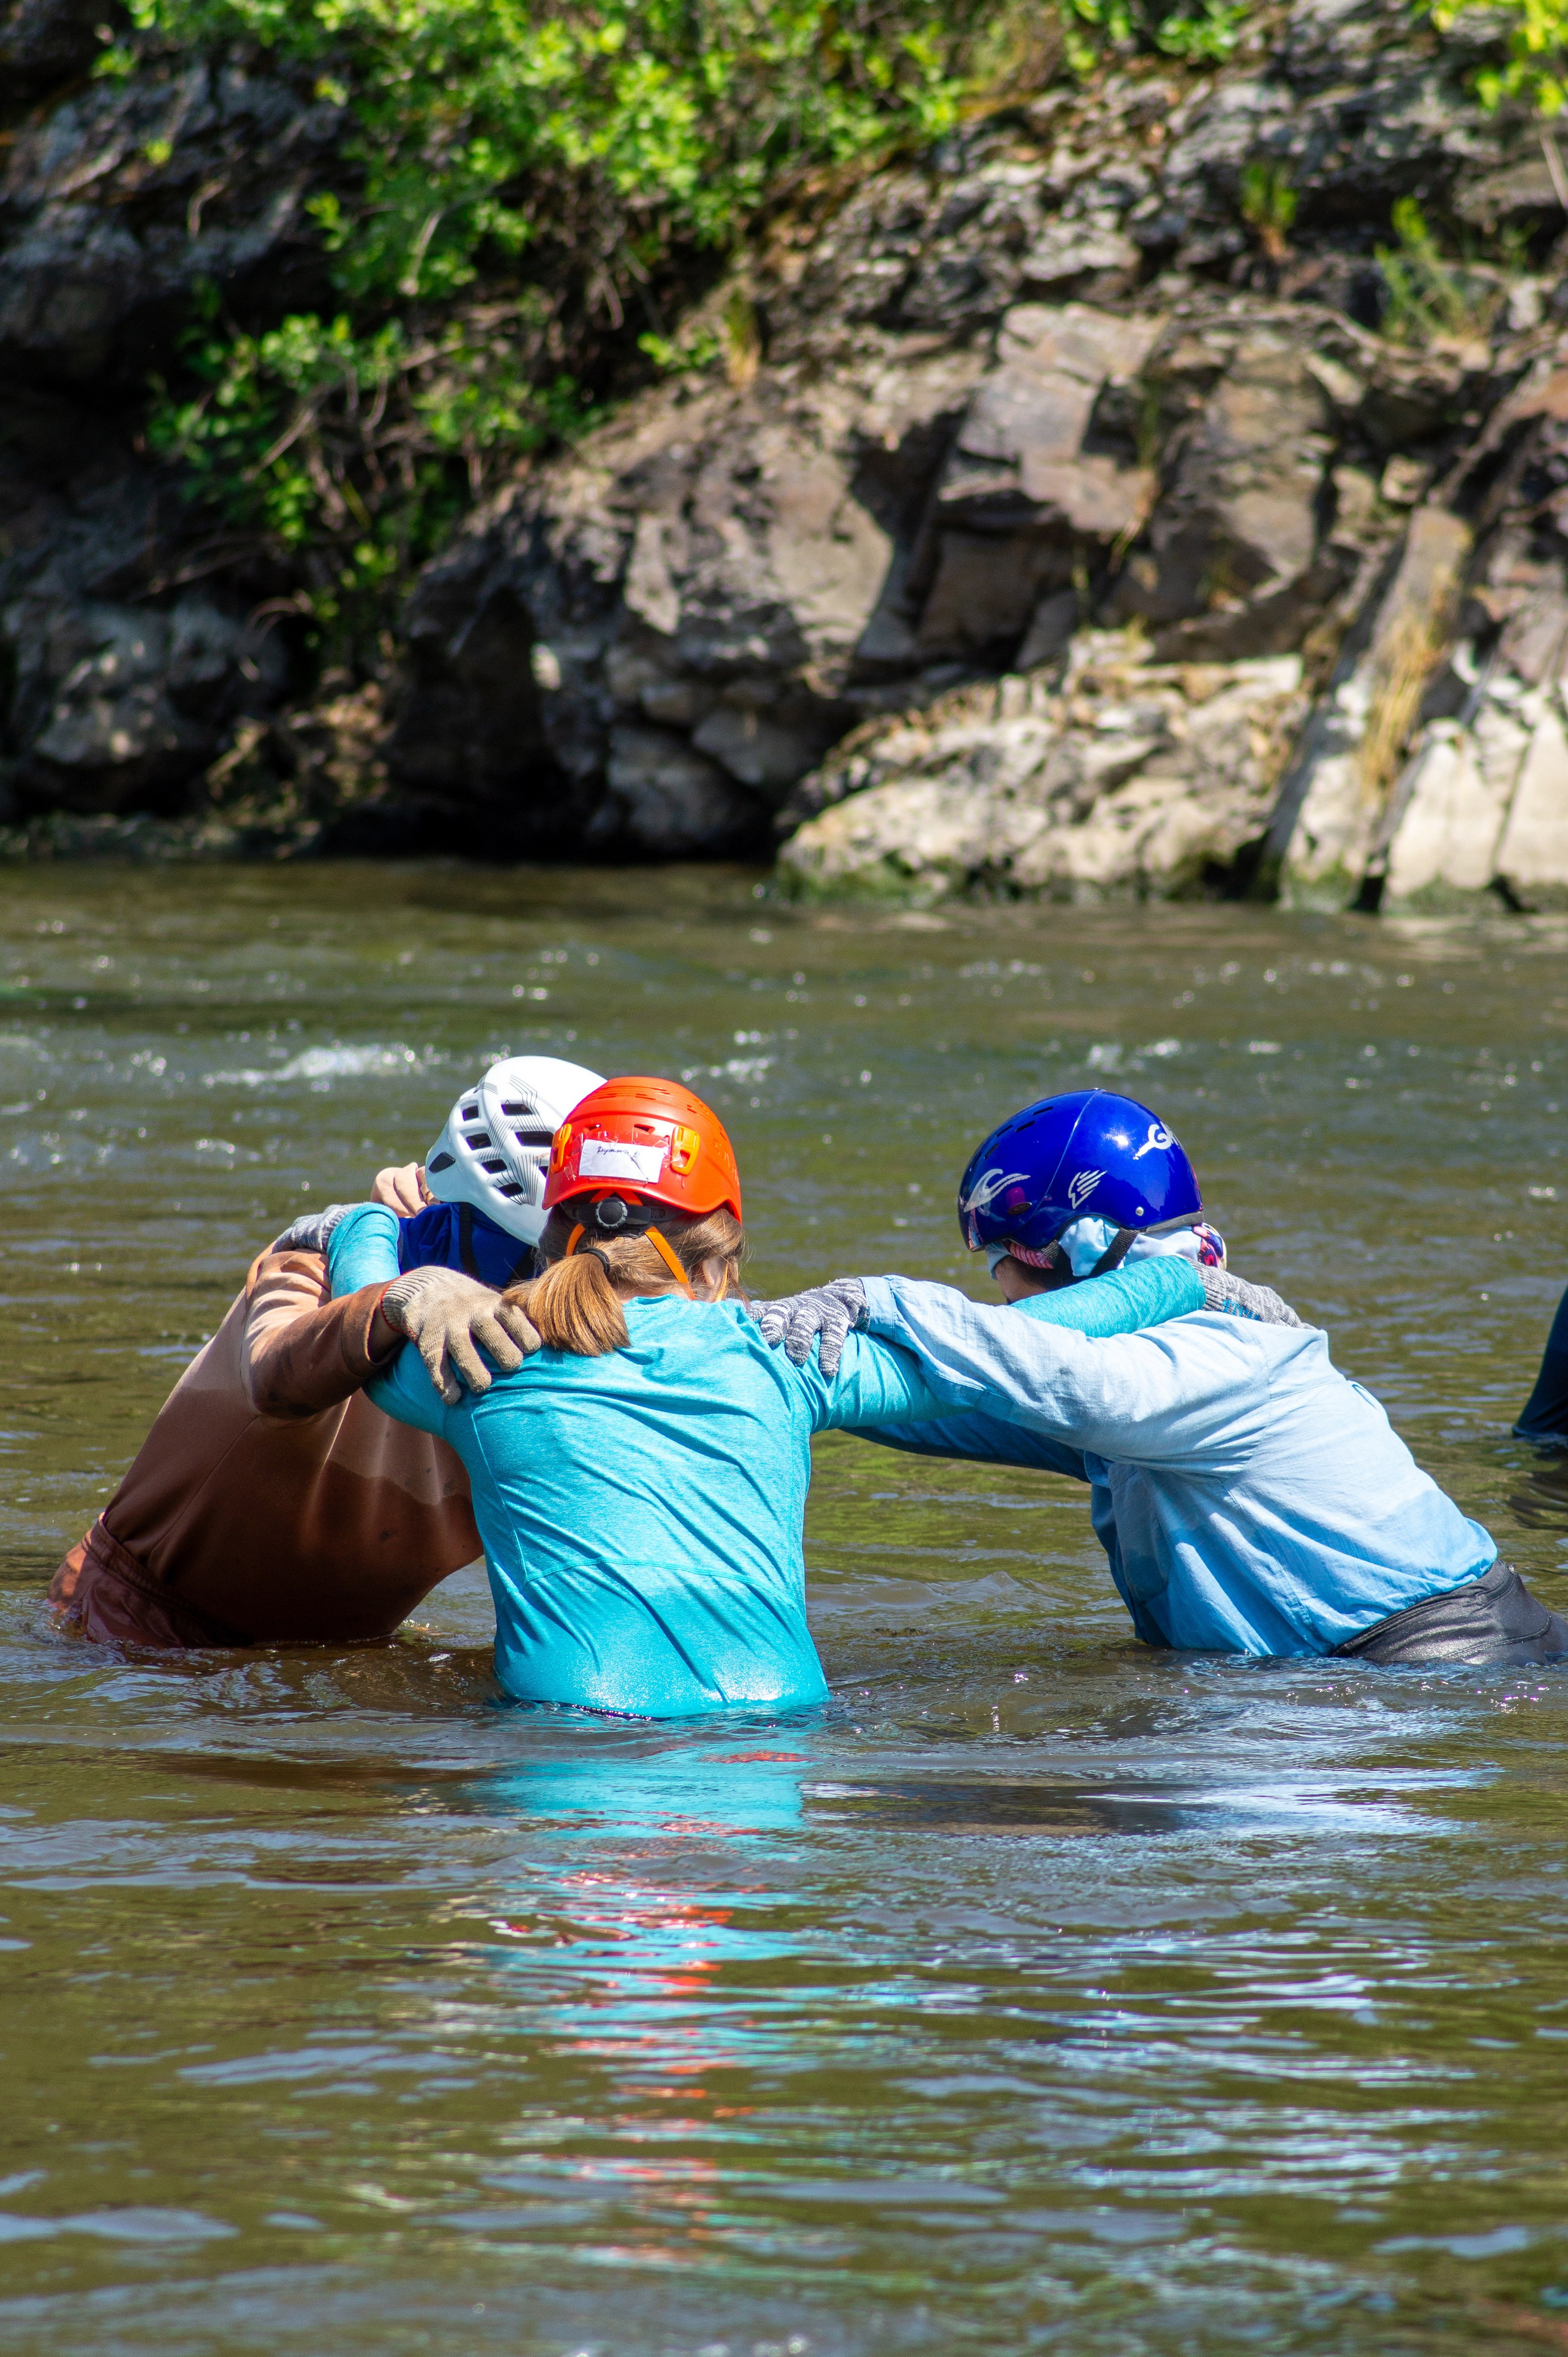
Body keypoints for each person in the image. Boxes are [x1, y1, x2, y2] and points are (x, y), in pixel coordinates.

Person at [321, 1078, 1215, 1719]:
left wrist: (371, 1228)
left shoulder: (485, 1361)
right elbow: (1046, 1334)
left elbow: (361, 1336)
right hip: (772, 1758)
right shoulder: (791, 1358)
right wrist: (1179, 1277)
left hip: (571, 1752)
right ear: (718, 1260)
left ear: (552, 1231)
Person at [757, 1088, 1568, 1670]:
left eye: (1003, 1259)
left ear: (1070, 1250)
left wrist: (873, 1297)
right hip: (1395, 1666)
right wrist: (746, 1338)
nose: (994, 1283)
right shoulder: (1135, 1361)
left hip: (1452, 1668)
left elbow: (1035, 1363)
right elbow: (918, 1397)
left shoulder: (1205, 1350)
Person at [48, 1054, 600, 1648]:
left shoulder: (577, 1356)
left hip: (336, 1652)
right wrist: (399, 1298)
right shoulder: (312, 1262)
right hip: (135, 1625)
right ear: (453, 1215)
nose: (533, 1293)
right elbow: (273, 1376)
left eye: (561, 1274)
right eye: (517, 1262)